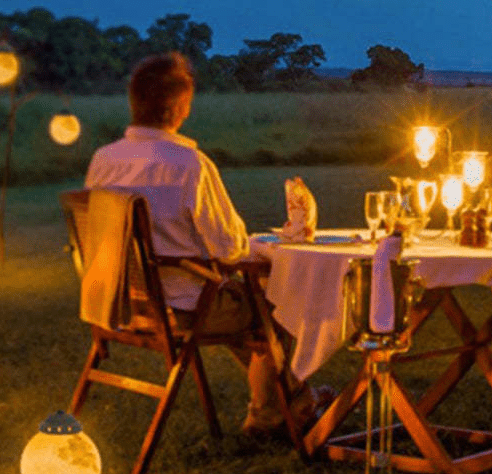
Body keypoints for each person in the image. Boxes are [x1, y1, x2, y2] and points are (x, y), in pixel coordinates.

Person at [85, 51, 330, 437]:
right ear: (179, 107)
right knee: (279, 306)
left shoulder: (104, 159)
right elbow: (229, 248)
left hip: (120, 304)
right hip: (184, 310)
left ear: (135, 102)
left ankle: (290, 404)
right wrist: (261, 248)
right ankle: (277, 413)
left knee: (251, 313)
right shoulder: (189, 165)